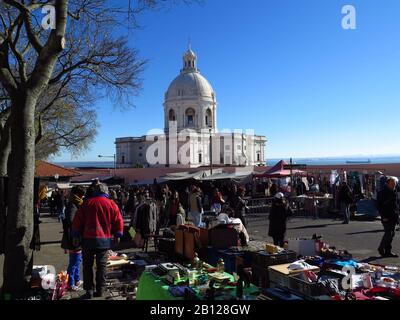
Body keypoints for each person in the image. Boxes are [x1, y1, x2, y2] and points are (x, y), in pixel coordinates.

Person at [72, 183, 124, 299]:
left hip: (87, 240)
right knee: (102, 266)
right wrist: (118, 234)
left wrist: (75, 235)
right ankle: (100, 289)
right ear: (106, 192)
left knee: (87, 266)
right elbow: (118, 220)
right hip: (104, 241)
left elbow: (77, 221)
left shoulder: (87, 203)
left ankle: (89, 290)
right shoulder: (111, 204)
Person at [61, 186, 86, 291]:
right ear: (78, 195)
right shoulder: (72, 205)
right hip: (73, 238)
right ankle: (71, 283)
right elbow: (72, 222)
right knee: (74, 261)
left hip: (75, 237)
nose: (83, 197)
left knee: (78, 259)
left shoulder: (75, 203)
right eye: (82, 195)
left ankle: (77, 279)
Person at [377, 177, 399, 258]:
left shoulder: (394, 192)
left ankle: (388, 251)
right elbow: (379, 206)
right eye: (392, 183)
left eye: (394, 184)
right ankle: (381, 248)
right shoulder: (382, 192)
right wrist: (383, 216)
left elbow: (395, 205)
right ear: (387, 183)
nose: (394, 185)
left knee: (392, 234)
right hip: (386, 216)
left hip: (393, 216)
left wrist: (397, 216)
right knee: (388, 233)